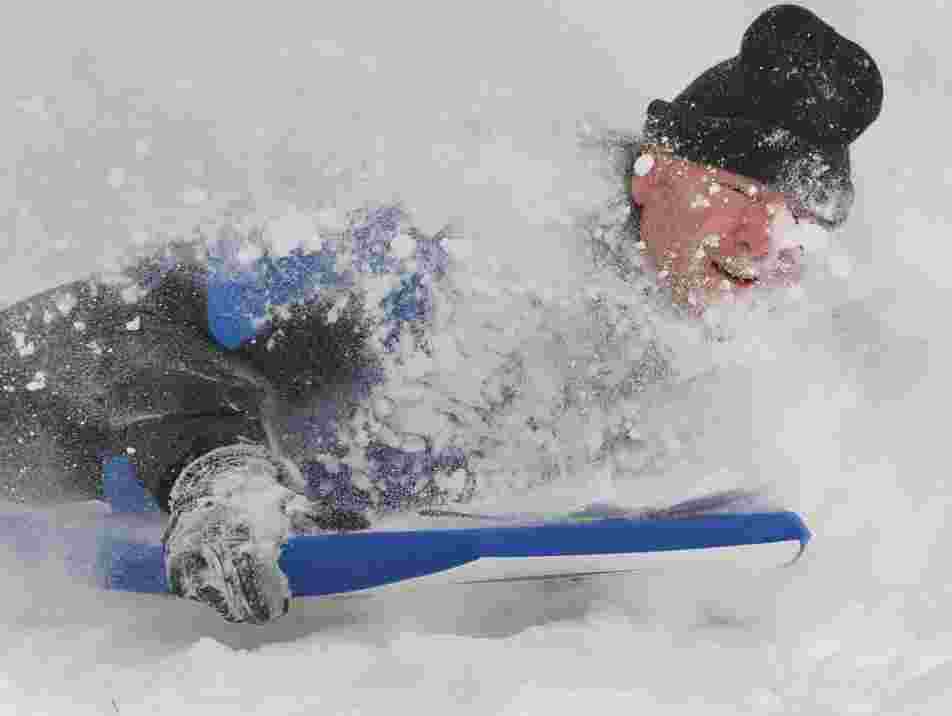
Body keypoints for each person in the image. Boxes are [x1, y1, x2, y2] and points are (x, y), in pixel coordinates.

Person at [0, 4, 881, 624]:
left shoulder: (692, 336)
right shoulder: (457, 247)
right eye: (734, 190)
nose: (762, 239)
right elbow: (135, 312)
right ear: (655, 170)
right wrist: (215, 472)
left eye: (796, 217)